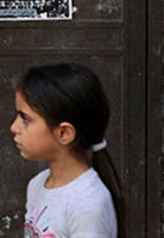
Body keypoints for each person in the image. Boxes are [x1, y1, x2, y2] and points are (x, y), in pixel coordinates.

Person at [12, 63, 125, 237]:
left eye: (25, 119)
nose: (14, 127)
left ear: (64, 133)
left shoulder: (87, 203)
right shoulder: (37, 185)